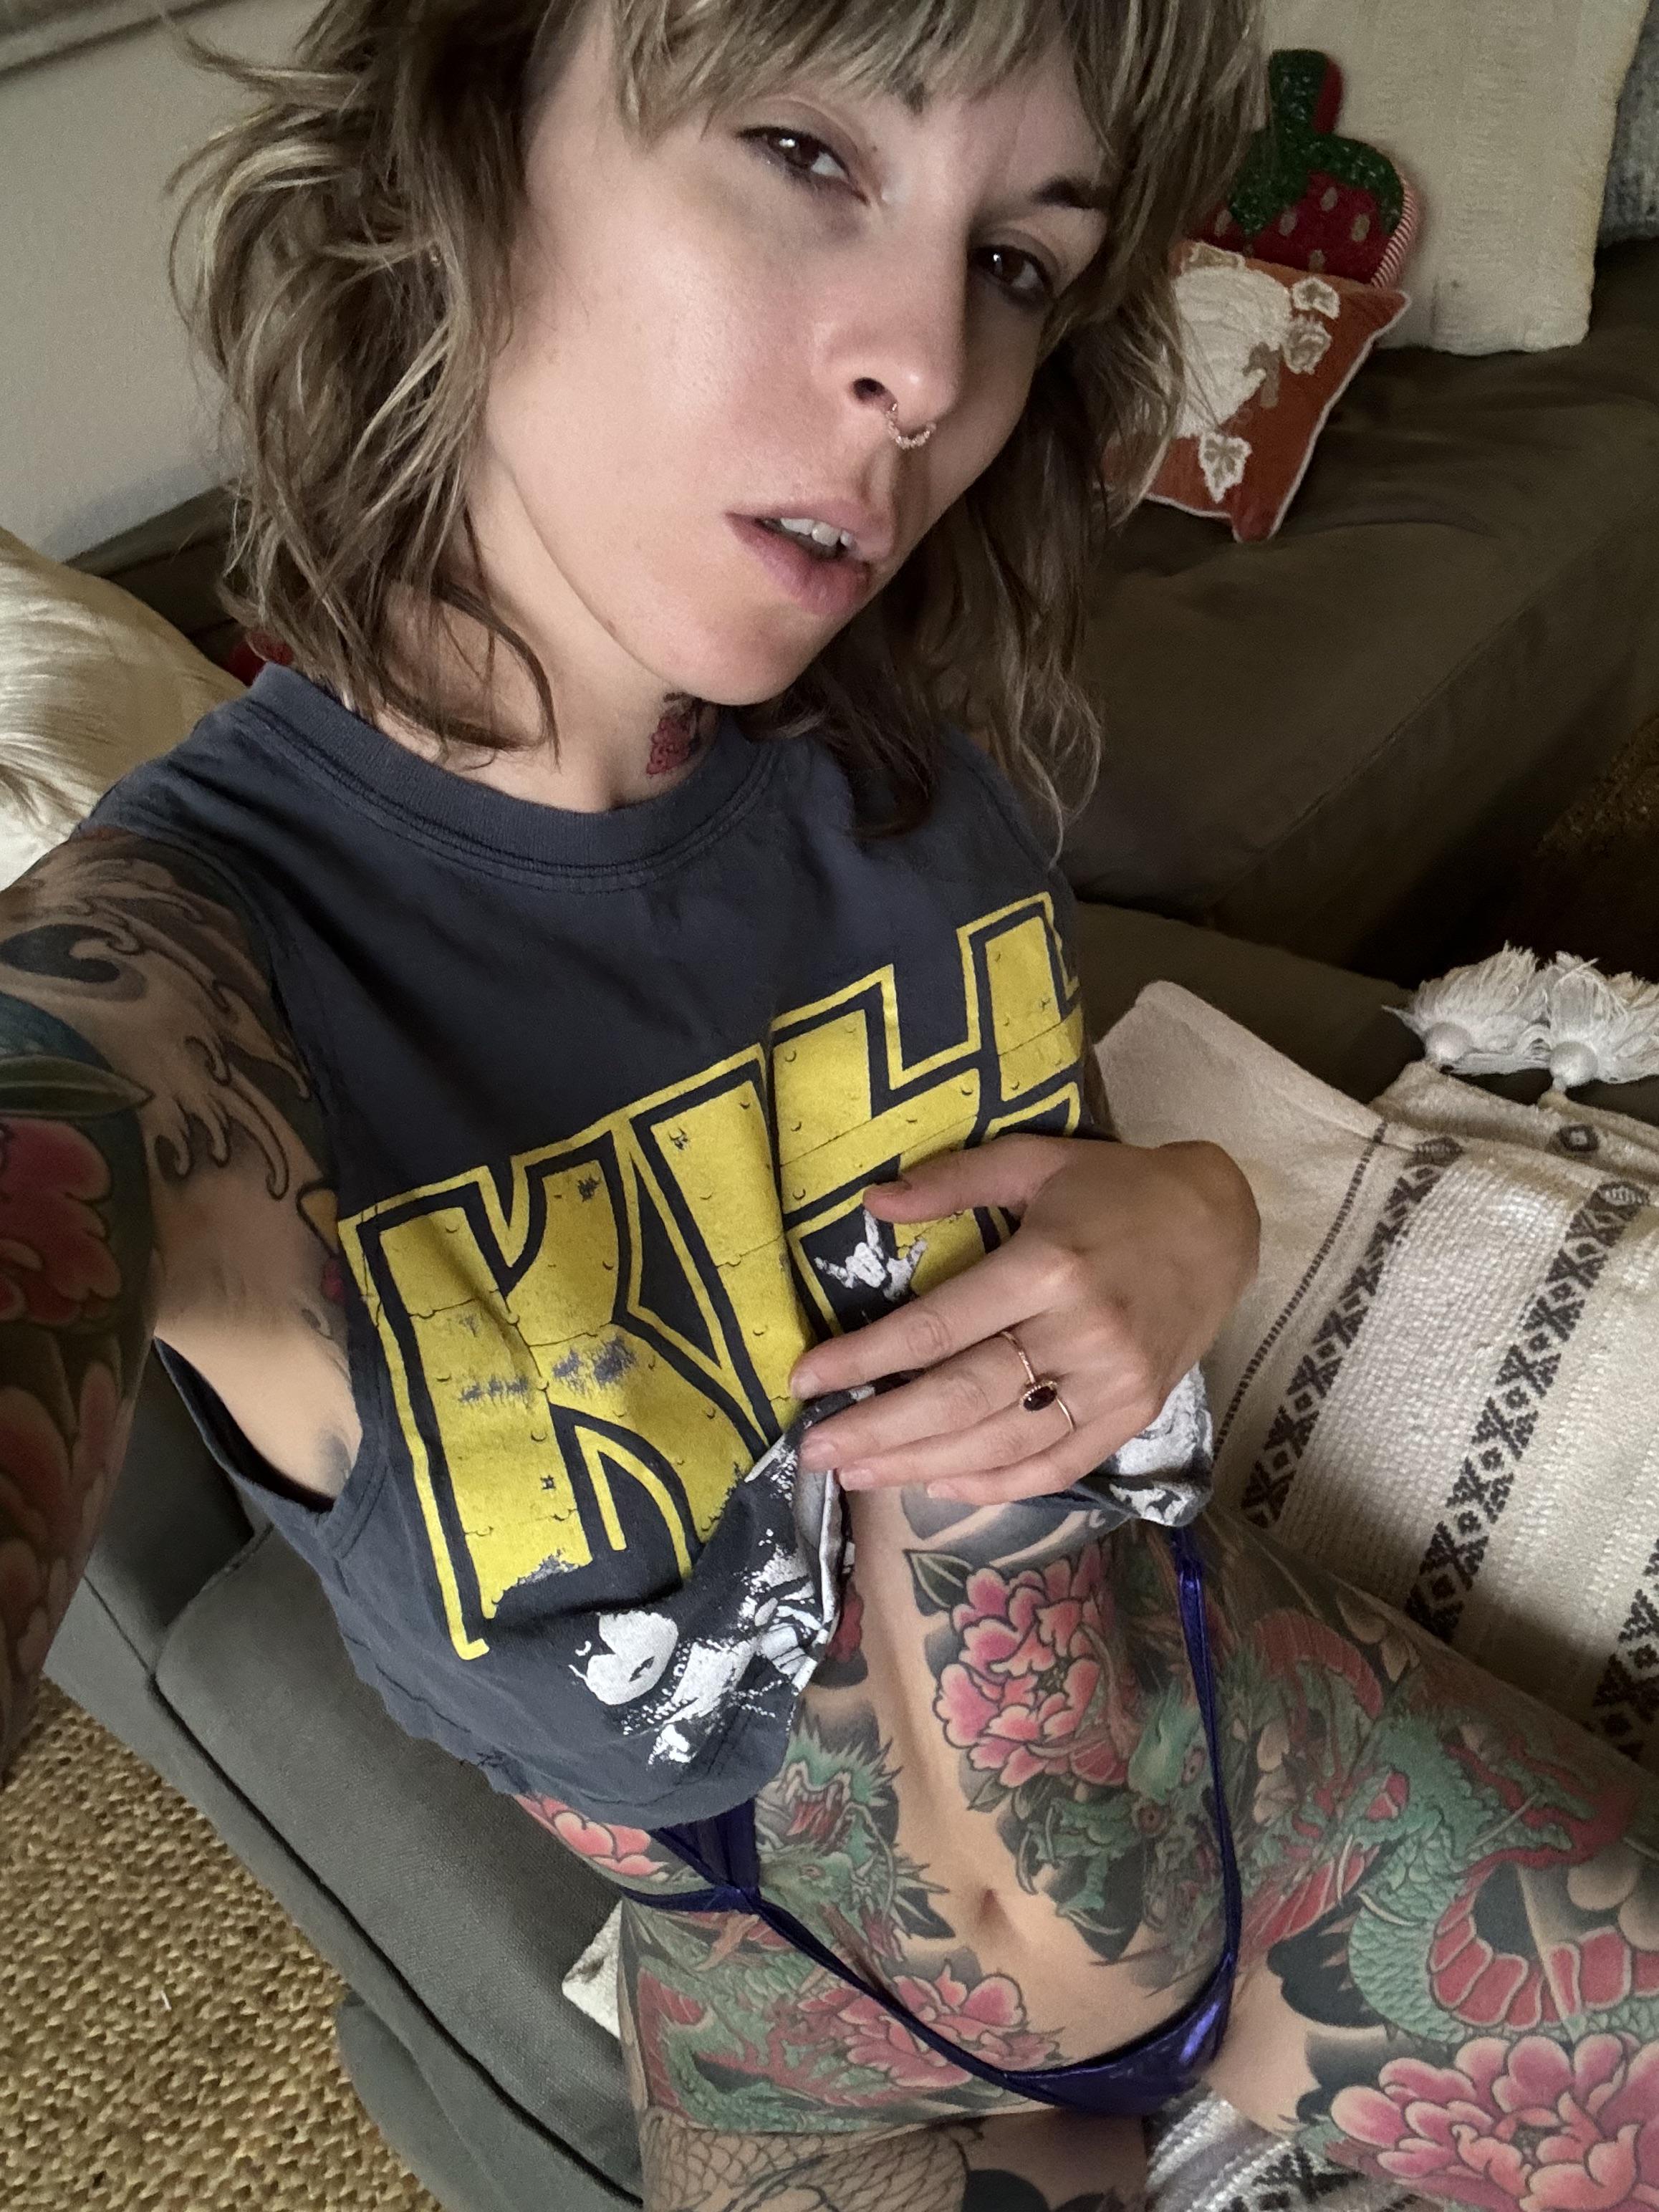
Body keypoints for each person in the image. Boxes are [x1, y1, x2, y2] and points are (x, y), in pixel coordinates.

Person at [4, 4, 1656, 2208]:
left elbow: (1043, 1229)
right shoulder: (191, 972)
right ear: (461, 149)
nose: (929, 370)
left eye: (1015, 260)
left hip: (1267, 1789)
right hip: (803, 2040)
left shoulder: (917, 771)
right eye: (805, 152)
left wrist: (1192, 1207)